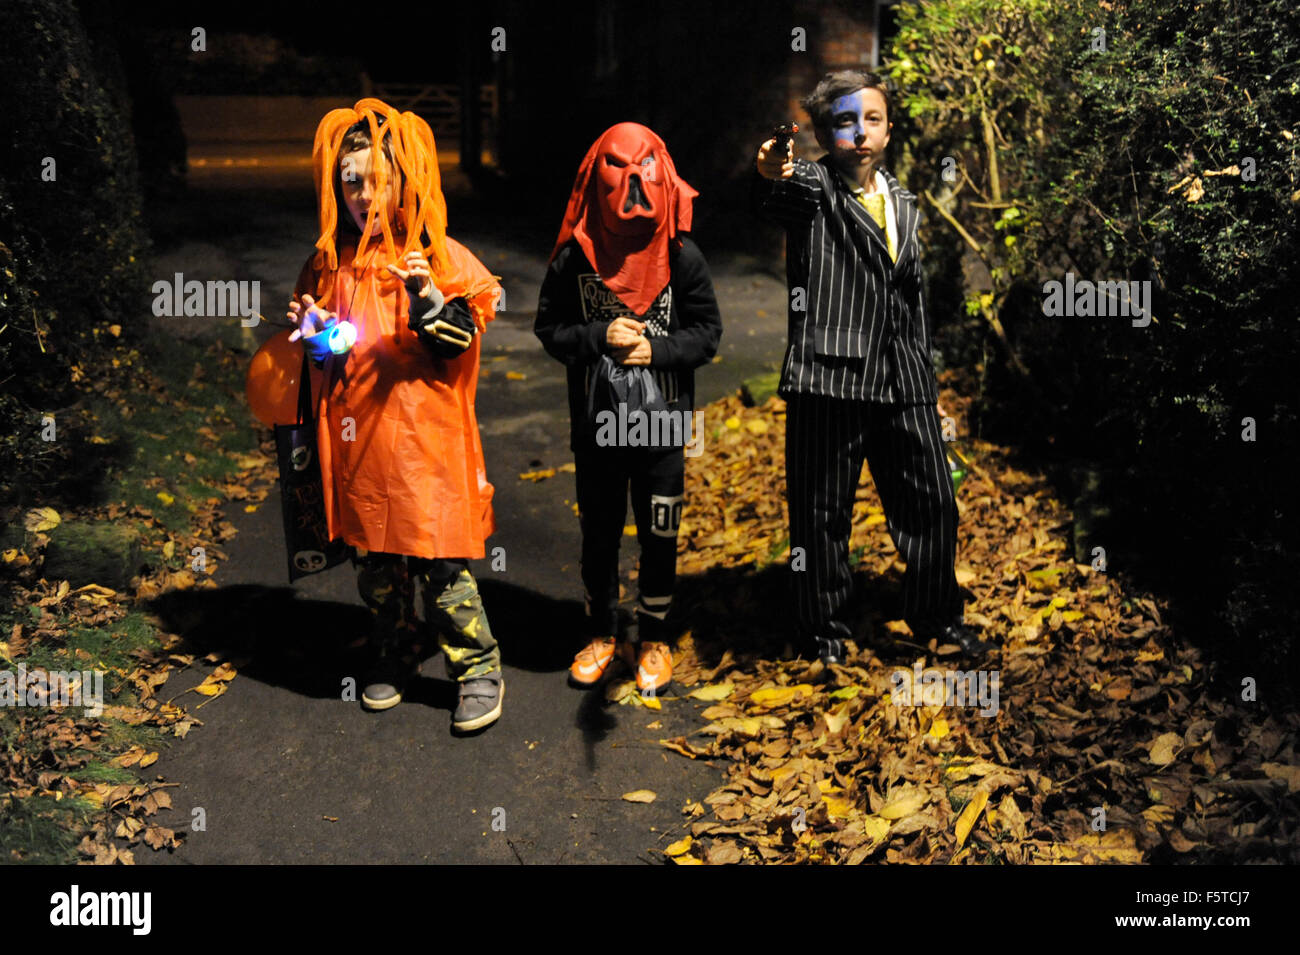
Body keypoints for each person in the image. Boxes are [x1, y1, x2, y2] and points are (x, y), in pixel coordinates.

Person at [751, 71, 992, 664]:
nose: (861, 133)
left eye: (873, 120)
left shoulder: (905, 201)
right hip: (827, 379)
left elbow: (911, 300)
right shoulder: (813, 187)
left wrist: (928, 388)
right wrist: (773, 166)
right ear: (825, 131)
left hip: (902, 380)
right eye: (844, 122)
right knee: (821, 514)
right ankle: (822, 633)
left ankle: (936, 618)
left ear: (887, 128)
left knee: (934, 503)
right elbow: (782, 189)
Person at [286, 99, 505, 732]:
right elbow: (328, 349)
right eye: (350, 181)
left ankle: (477, 667)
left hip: (424, 442)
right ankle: (399, 644)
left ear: (404, 183)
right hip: (359, 443)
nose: (363, 195)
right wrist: (317, 331)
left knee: (439, 560)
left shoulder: (438, 256)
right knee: (374, 563)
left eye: (377, 180)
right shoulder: (331, 263)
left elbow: (457, 339)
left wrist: (428, 297)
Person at [535, 122, 722, 694]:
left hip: (664, 428)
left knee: (660, 531)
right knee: (600, 531)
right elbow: (549, 328)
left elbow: (708, 334)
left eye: (645, 166)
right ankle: (602, 632)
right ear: (596, 177)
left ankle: (656, 636)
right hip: (597, 430)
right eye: (618, 166)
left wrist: (656, 350)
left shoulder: (682, 255)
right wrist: (596, 337)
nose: (634, 179)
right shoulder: (575, 259)